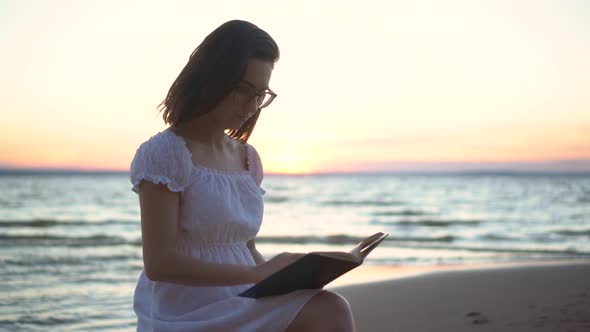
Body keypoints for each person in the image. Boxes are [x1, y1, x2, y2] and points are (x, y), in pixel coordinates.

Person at [129, 20, 355, 331]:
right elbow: (159, 263)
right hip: (187, 309)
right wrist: (254, 276)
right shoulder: (165, 153)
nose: (252, 105)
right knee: (330, 311)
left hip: (242, 295)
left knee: (327, 306)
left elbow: (244, 247)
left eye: (261, 94)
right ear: (211, 79)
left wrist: (285, 277)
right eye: (243, 90)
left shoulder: (247, 158)